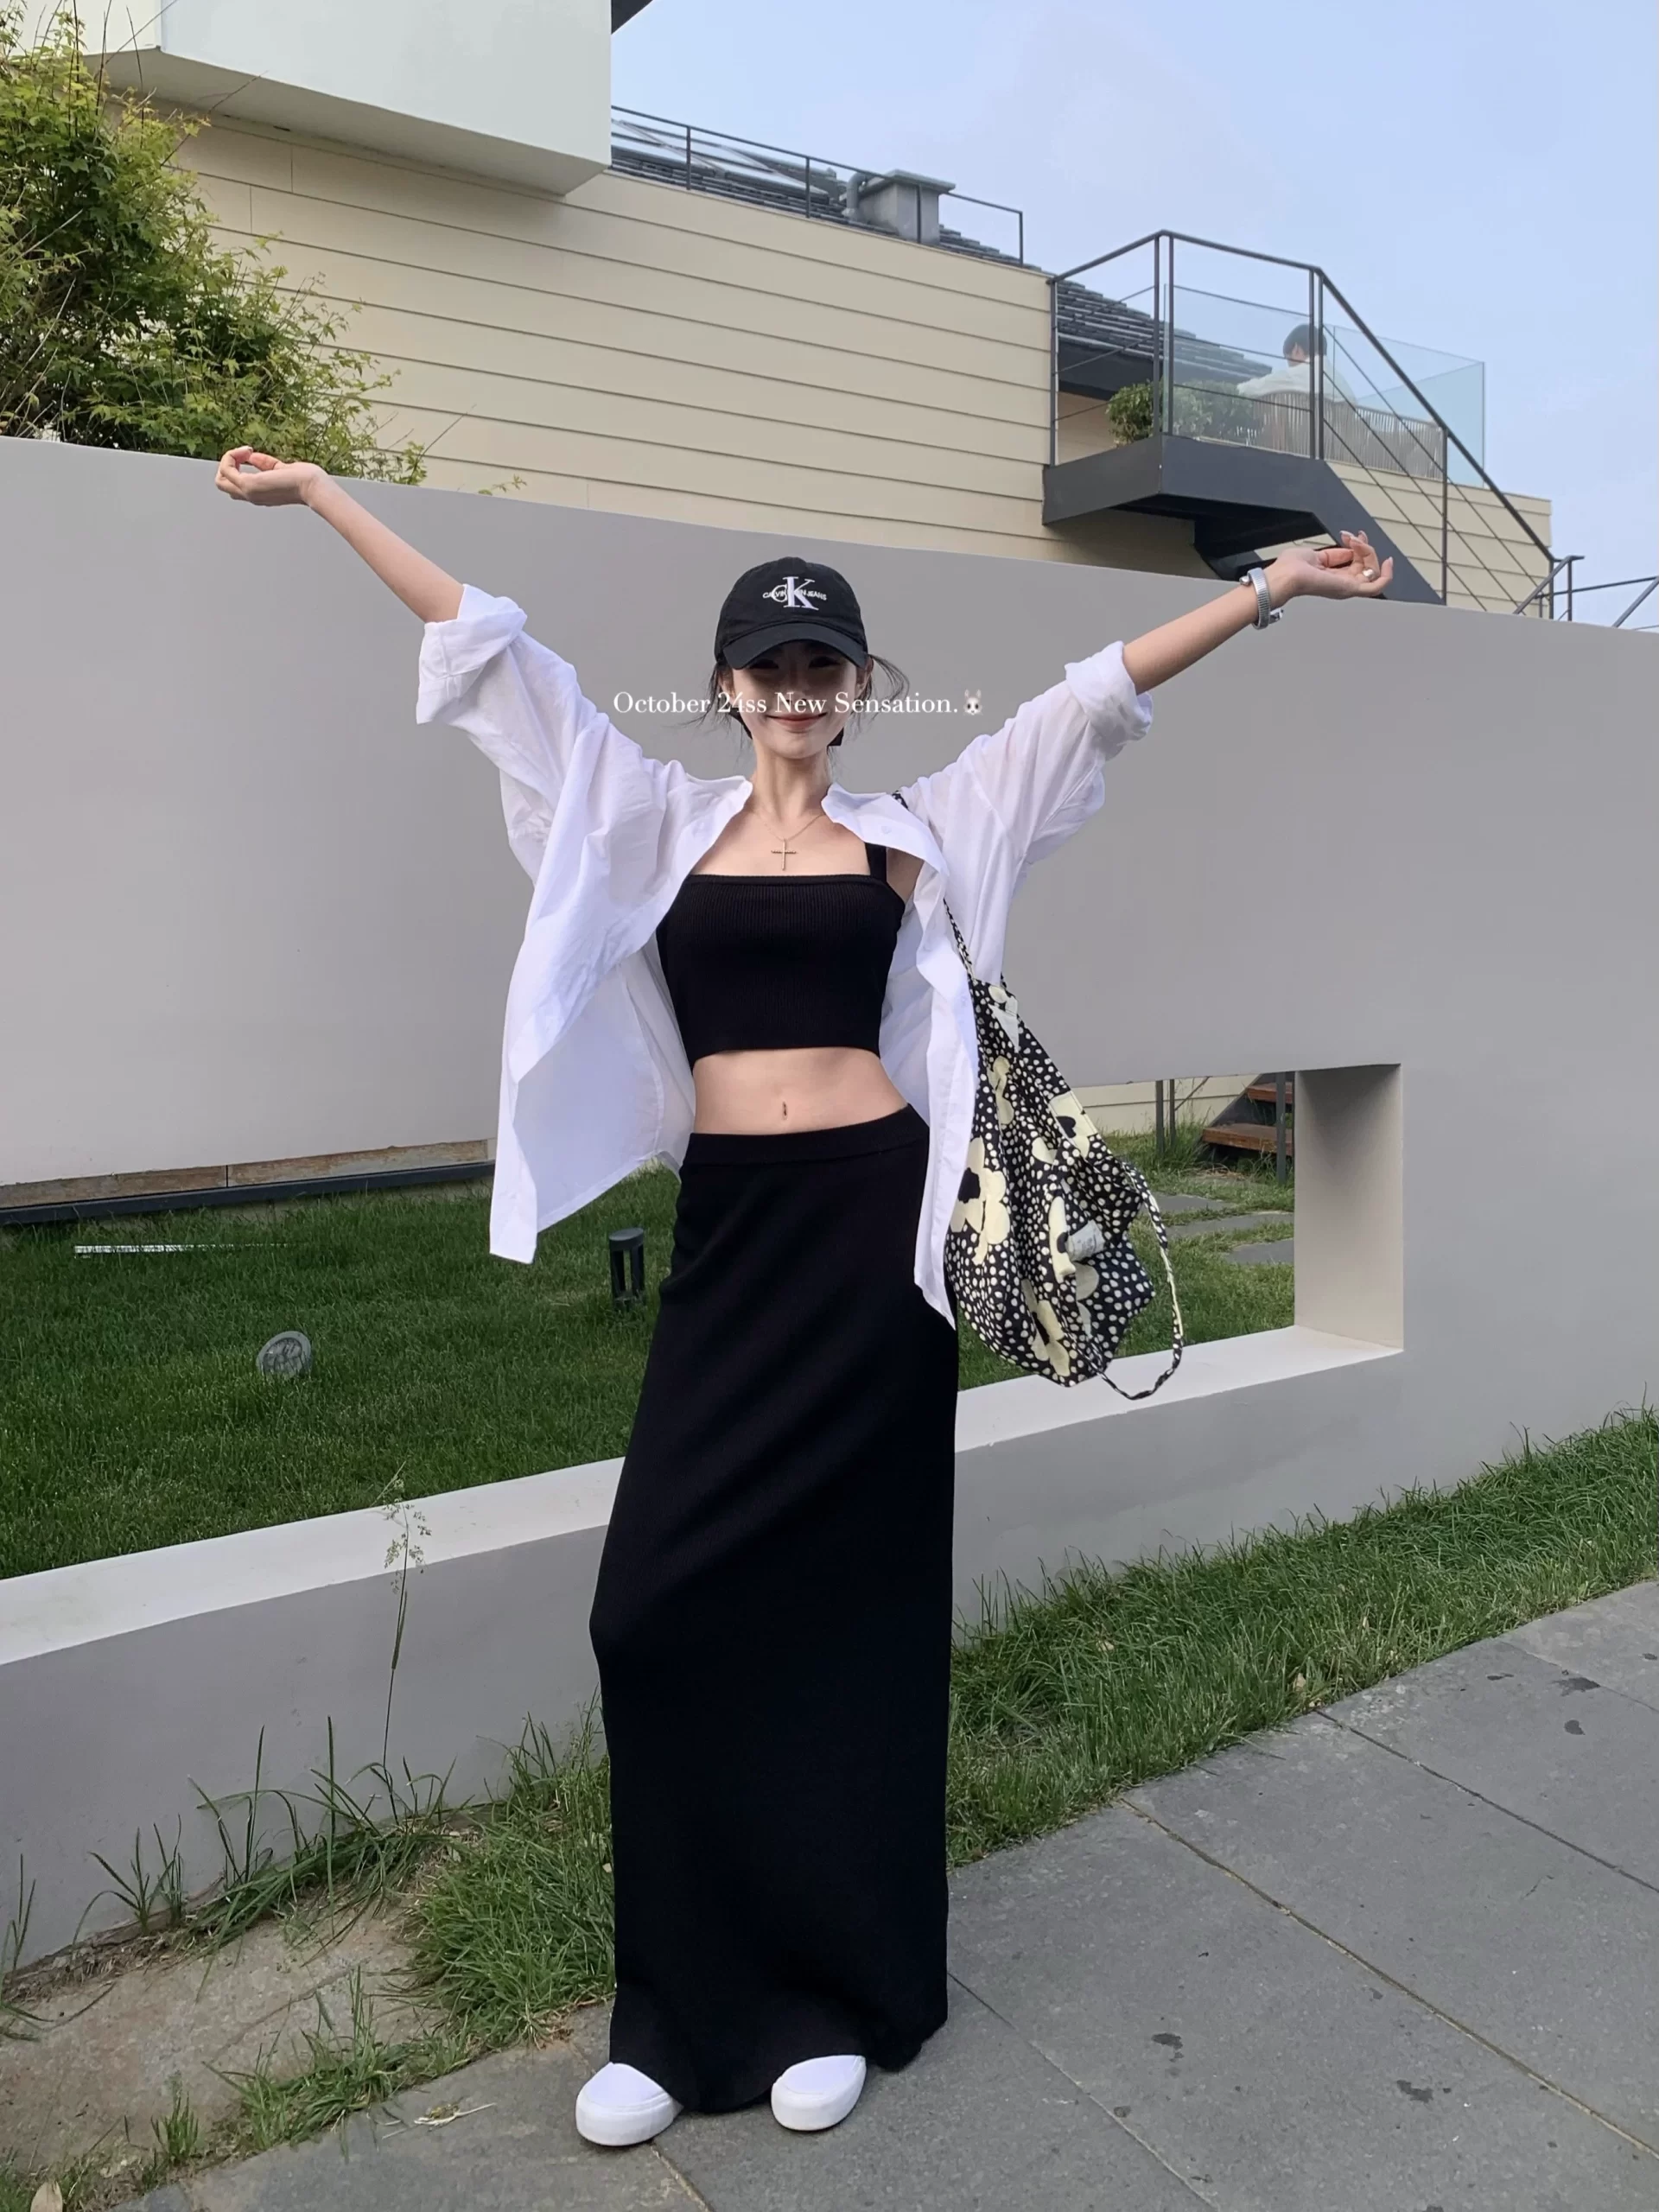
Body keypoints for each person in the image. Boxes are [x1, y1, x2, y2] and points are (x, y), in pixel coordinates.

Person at [213, 445, 1391, 2146]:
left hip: (871, 1243)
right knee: (655, 1609)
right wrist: (328, 496)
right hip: (735, 1236)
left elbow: (1089, 698)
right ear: (725, 686)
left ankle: (839, 1992)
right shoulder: (647, 818)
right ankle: (677, 2014)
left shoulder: (920, 835)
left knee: (850, 1619)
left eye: (821, 663)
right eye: (766, 663)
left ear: (855, 689)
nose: (793, 686)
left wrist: (1270, 588)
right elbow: (493, 650)